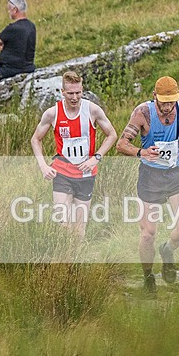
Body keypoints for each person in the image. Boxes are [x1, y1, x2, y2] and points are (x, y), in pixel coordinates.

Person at [116, 76, 179, 294]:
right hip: (151, 177)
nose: (167, 107)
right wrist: (142, 152)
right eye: (163, 102)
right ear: (155, 97)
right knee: (148, 233)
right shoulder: (143, 114)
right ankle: (148, 277)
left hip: (178, 174)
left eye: (170, 102)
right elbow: (121, 144)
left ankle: (167, 250)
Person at [30, 71, 117, 238]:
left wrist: (96, 158)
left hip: (86, 172)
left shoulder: (92, 110)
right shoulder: (52, 113)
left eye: (78, 92)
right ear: (62, 92)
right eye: (70, 93)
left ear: (82, 90)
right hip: (62, 171)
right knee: (62, 224)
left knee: (79, 230)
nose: (75, 97)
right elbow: (35, 139)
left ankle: (75, 262)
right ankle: (63, 259)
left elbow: (112, 134)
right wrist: (43, 166)